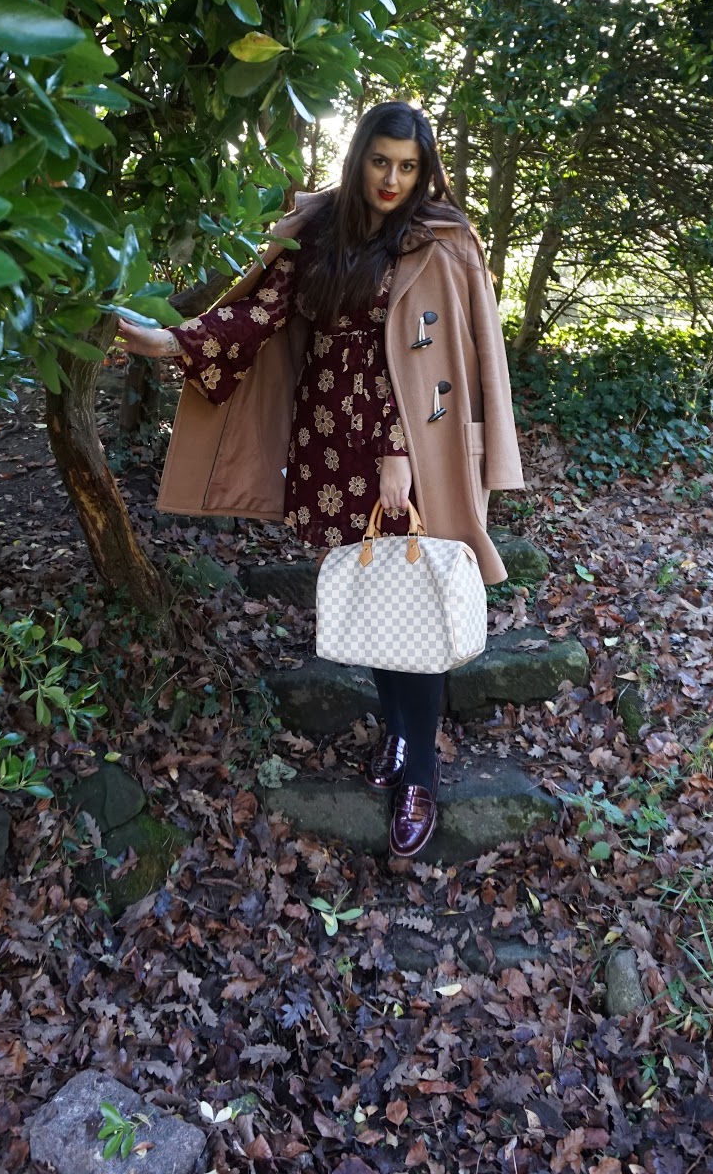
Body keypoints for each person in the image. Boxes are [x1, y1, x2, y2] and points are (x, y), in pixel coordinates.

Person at [117, 102, 524, 858]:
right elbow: (261, 314)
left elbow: (451, 357)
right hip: (328, 439)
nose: (392, 180)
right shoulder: (317, 229)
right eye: (381, 162)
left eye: (408, 167)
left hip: (406, 445)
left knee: (416, 596)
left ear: (424, 171)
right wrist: (173, 342)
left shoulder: (441, 239)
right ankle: (398, 735)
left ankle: (419, 774)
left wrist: (399, 450)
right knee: (376, 587)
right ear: (358, 155)